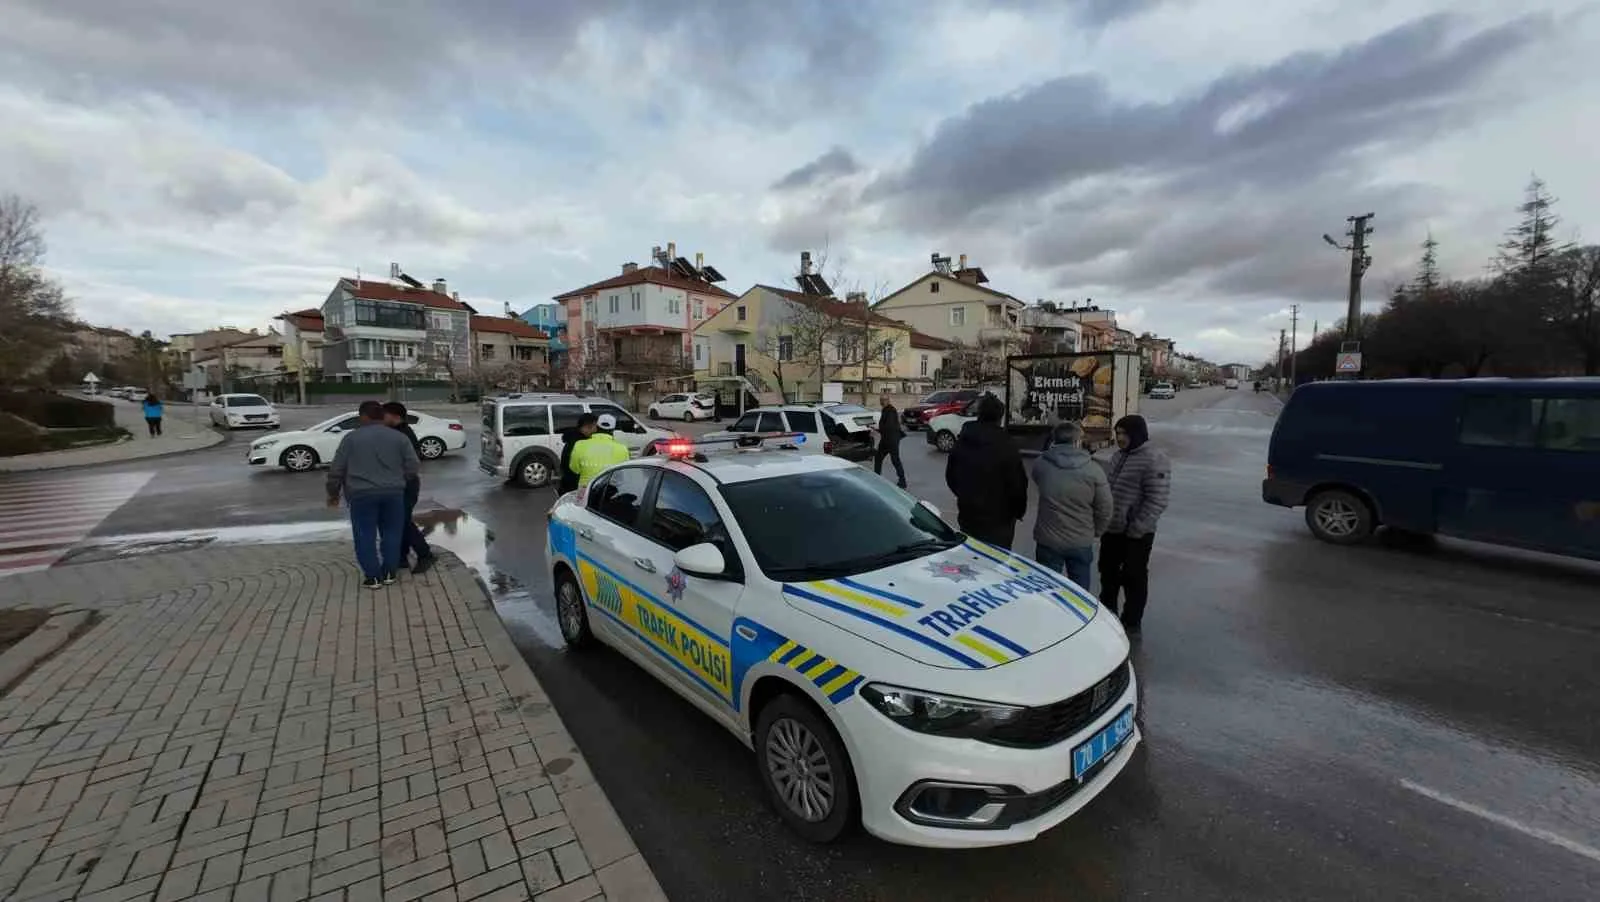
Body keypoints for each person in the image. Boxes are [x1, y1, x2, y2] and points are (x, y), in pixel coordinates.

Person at [327, 400, 419, 589]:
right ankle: (389, 573)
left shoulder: (351, 439)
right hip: (393, 493)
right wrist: (400, 479)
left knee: (364, 535)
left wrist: (333, 492)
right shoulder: (399, 438)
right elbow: (413, 466)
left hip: (361, 495)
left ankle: (373, 577)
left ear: (363, 416)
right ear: (382, 416)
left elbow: (337, 469)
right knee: (392, 534)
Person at [1099, 414, 1171, 636]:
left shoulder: (1154, 459)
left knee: (1133, 577)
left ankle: (1131, 621)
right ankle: (1106, 616)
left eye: (1124, 434)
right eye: (1117, 433)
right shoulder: (1118, 457)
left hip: (1136, 534)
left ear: (1136, 434)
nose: (1119, 438)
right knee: (1108, 574)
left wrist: (1137, 528)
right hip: (1112, 529)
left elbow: (1157, 500)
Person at [1031, 421, 1113, 589]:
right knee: (1080, 592)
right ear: (1077, 441)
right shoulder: (1094, 470)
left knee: (1046, 591)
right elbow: (1105, 509)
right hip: (1080, 541)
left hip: (1048, 540)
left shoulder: (1041, 464)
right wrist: (1095, 531)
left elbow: (1038, 481)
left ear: (1054, 440)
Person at [945, 395, 1027, 549]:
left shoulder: (964, 440)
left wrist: (965, 495)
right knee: (996, 563)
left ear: (979, 414)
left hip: (969, 514)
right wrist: (1018, 511)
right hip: (1000, 519)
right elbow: (1018, 484)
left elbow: (951, 476)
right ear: (1000, 417)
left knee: (971, 558)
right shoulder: (1006, 444)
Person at [381, 401, 435, 575]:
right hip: (399, 483)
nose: (382, 418)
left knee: (402, 521)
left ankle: (425, 554)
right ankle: (401, 558)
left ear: (396, 416)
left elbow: (412, 463)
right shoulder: (394, 432)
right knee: (400, 521)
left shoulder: (403, 435)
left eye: (385, 415)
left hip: (405, 484)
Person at [570, 413, 630, 489]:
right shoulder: (622, 449)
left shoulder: (579, 445)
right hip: (609, 492)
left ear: (596, 427)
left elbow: (575, 469)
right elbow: (622, 475)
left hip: (585, 491)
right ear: (613, 430)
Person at [558, 412, 599, 493]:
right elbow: (570, 467)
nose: (596, 430)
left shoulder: (575, 438)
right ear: (587, 426)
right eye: (594, 426)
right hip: (574, 486)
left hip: (571, 484)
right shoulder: (578, 442)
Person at [873, 393, 907, 489]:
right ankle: (901, 480)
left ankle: (902, 481)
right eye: (881, 400)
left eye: (883, 400)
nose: (881, 402)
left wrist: (878, 429)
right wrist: (877, 429)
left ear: (888, 400)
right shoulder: (886, 410)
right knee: (881, 458)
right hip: (889, 439)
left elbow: (889, 426)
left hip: (890, 440)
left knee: (893, 460)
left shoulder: (890, 411)